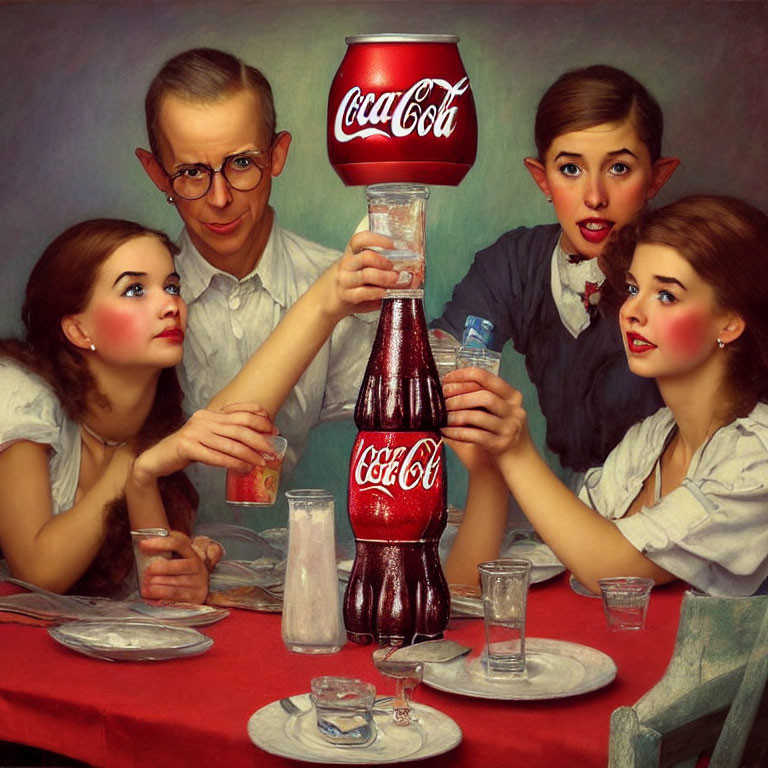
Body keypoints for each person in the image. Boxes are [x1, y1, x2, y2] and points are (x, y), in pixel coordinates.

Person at [0, 218, 396, 602]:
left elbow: (158, 592)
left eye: (171, 286)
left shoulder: (159, 423)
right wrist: (137, 459)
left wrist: (184, 576)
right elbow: (40, 571)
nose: (170, 305)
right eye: (135, 290)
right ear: (79, 330)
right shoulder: (22, 393)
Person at [442, 195, 768, 598]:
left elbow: (609, 571)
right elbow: (463, 591)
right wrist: (489, 470)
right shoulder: (650, 441)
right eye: (633, 288)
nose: (631, 311)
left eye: (666, 295)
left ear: (731, 322)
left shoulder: (756, 458)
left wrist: (515, 450)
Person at [431, 65, 680, 583]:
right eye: (570, 169)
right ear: (540, 178)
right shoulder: (516, 262)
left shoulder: (680, 276)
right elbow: (438, 356)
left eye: (618, 169)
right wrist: (460, 388)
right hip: (559, 506)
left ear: (657, 177)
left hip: (662, 511)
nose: (593, 197)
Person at [135, 48, 377, 520]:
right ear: (157, 173)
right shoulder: (136, 300)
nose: (221, 199)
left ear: (278, 155)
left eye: (242, 163)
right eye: (190, 173)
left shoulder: (345, 285)